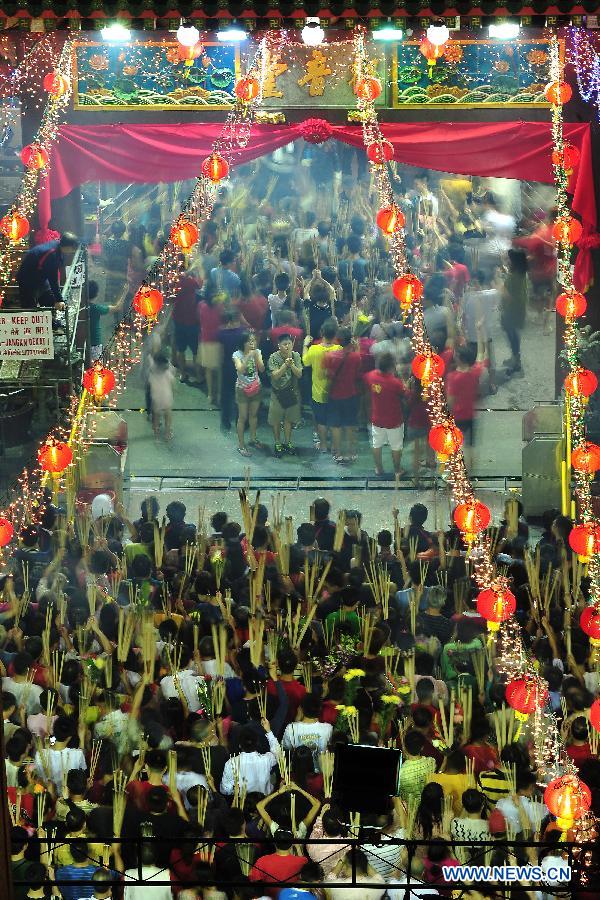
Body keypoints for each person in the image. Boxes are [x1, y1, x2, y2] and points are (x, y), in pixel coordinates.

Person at [363, 351, 409, 477]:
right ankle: (397, 470)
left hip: (376, 418)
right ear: (391, 366)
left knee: (376, 443)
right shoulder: (395, 383)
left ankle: (378, 468)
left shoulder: (370, 376)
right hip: (394, 420)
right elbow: (407, 395)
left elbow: (365, 383)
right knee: (396, 445)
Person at [323, 327, 362, 464]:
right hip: (350, 394)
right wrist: (356, 349)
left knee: (336, 425)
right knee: (350, 424)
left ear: (338, 340)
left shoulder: (330, 356)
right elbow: (357, 372)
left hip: (334, 395)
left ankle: (338, 453)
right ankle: (351, 452)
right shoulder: (356, 356)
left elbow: (327, 375)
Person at [302, 318, 341, 453]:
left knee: (321, 421)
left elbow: (305, 362)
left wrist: (305, 345)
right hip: (335, 392)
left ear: (322, 332)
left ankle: (323, 446)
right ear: (335, 334)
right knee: (335, 422)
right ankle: (336, 448)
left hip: (318, 393)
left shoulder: (314, 349)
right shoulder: (339, 349)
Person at [16, 232, 78, 311]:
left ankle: (52, 321)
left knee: (49, 300)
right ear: (68, 246)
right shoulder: (52, 253)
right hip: (27, 280)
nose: (72, 251)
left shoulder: (57, 246)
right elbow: (53, 278)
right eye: (73, 249)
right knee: (29, 310)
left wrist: (58, 299)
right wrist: (59, 299)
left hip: (39, 277)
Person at [268, 332, 303, 457]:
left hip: (291, 391)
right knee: (276, 420)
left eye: (289, 343)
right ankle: (277, 443)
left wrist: (292, 364)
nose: (287, 346)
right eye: (284, 344)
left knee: (289, 419)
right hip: (277, 393)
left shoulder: (296, 356)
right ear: (279, 346)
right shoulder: (273, 357)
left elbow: (299, 374)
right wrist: (285, 365)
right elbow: (275, 375)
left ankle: (288, 442)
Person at [232, 331, 265, 457]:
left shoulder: (258, 352)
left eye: (254, 340)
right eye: (249, 341)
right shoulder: (237, 354)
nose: (253, 343)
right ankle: (241, 445)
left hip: (256, 387)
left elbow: (262, 369)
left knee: (254, 415)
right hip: (242, 389)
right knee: (242, 417)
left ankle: (253, 438)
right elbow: (240, 369)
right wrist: (248, 356)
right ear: (243, 343)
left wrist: (256, 356)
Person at [500, 248, 528, 376]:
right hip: (519, 308)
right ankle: (515, 357)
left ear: (514, 262)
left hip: (511, 310)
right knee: (514, 334)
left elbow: (507, 295)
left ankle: (516, 361)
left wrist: (498, 285)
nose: (508, 261)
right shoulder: (522, 272)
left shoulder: (512, 277)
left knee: (512, 335)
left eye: (510, 259)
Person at [197, 285, 224, 409]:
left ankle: (209, 394)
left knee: (208, 369)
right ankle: (218, 394)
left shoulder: (201, 305)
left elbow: (199, 319)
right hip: (219, 339)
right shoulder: (220, 307)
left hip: (206, 339)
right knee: (218, 370)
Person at [89, 280, 123, 363]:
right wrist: (125, 292)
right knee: (96, 370)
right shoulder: (96, 308)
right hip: (95, 343)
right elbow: (117, 307)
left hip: (82, 343)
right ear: (96, 295)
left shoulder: (80, 307)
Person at [148, 352, 176, 443]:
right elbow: (172, 383)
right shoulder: (167, 373)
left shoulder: (152, 372)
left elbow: (150, 384)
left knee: (156, 417)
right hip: (166, 396)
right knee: (167, 416)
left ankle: (156, 436)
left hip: (156, 397)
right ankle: (167, 433)